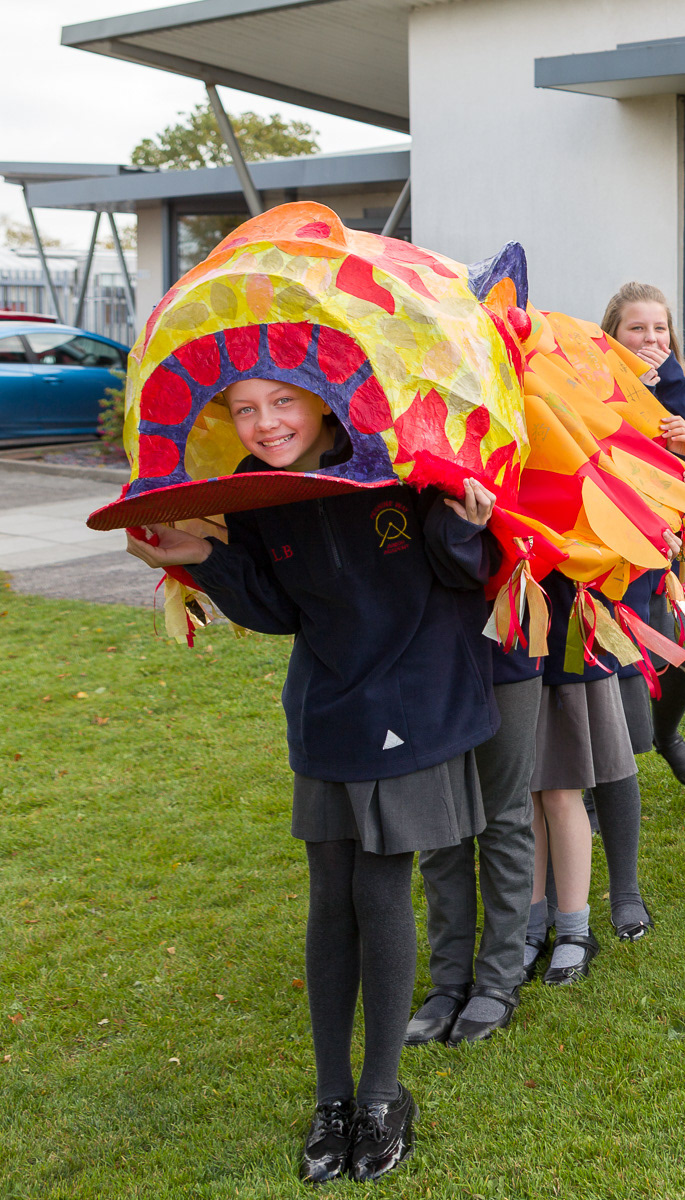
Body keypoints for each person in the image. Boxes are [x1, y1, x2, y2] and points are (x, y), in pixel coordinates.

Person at [125, 378, 498, 1184]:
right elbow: (276, 609)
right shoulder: (255, 492)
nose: (265, 424)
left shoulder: (398, 457)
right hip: (327, 704)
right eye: (247, 409)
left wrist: (468, 526)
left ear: (325, 401)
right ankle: (332, 1101)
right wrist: (204, 558)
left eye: (283, 403)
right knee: (330, 892)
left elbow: (463, 573)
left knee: (378, 890)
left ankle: (381, 1097)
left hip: (413, 696)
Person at [599, 282, 685, 787]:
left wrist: (676, 390)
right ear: (612, 332)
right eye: (637, 328)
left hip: (672, 549)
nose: (650, 338)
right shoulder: (593, 382)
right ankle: (595, 779)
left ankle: (667, 735)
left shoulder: (677, 384)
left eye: (660, 329)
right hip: (616, 542)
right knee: (610, 660)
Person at [403, 637, 540, 1047]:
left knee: (504, 821)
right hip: (426, 658)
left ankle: (499, 979)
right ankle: (449, 980)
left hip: (507, 649)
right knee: (441, 825)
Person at [525, 569, 649, 973]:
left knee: (610, 759)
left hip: (583, 615)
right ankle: (541, 914)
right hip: (521, 621)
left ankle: (624, 893)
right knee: (534, 781)